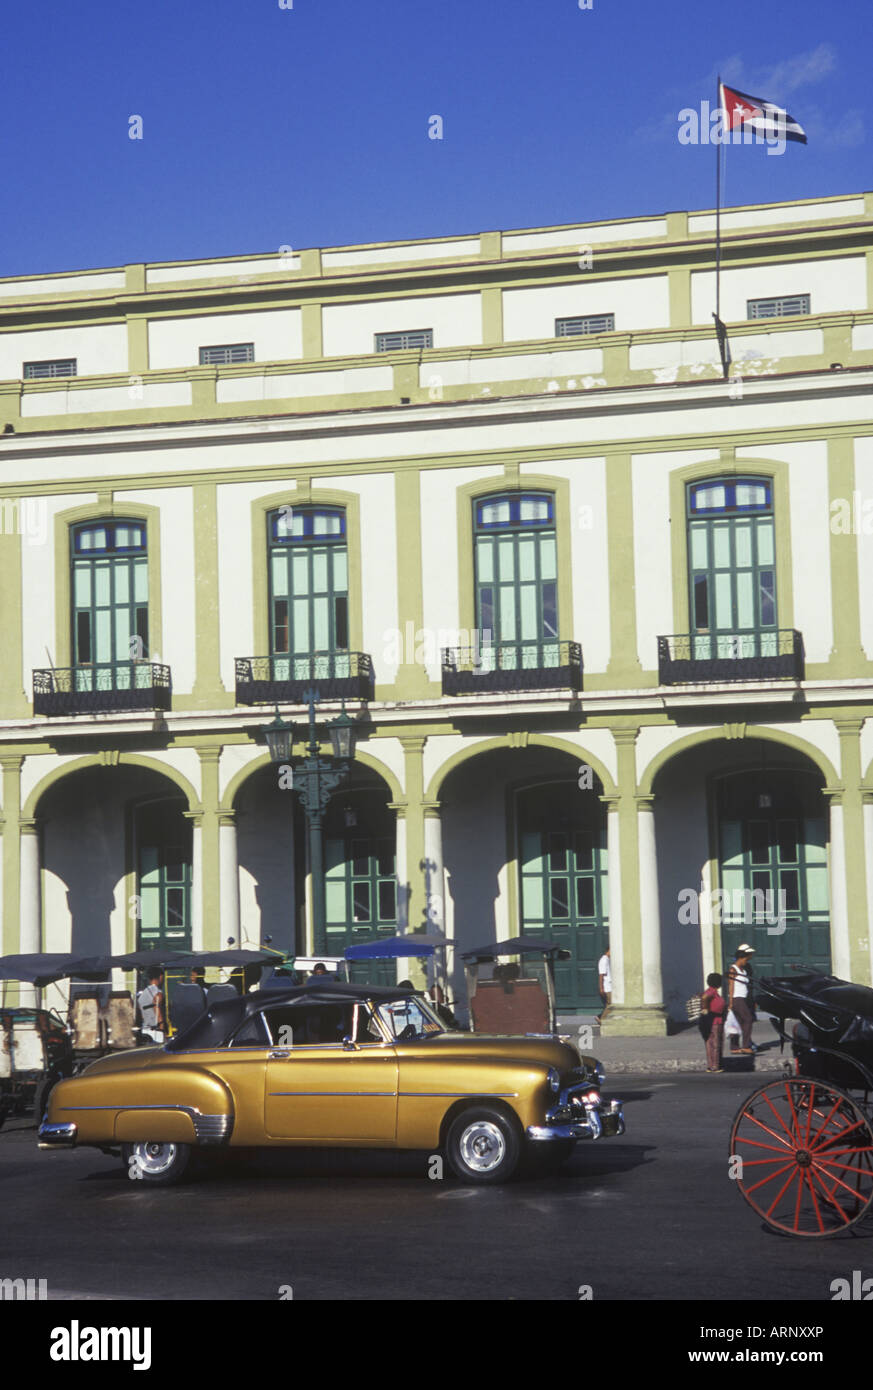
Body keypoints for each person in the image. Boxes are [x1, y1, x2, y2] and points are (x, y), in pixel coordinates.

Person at [727, 945, 756, 1054]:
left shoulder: (743, 970)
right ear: (741, 957)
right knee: (748, 1019)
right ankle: (746, 1045)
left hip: (743, 998)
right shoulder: (733, 969)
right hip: (736, 999)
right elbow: (731, 986)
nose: (746, 961)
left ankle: (734, 1047)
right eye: (745, 959)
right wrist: (730, 1002)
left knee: (737, 1022)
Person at [700, 972, 725, 1072]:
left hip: (709, 1020)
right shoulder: (712, 992)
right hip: (715, 1020)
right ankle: (715, 1066)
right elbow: (705, 997)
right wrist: (706, 1008)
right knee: (716, 1043)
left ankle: (711, 1065)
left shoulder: (711, 991)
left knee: (709, 1043)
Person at [136, 969, 165, 1044]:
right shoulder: (158, 993)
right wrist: (162, 1027)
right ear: (161, 977)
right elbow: (157, 1009)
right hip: (155, 1031)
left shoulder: (142, 995)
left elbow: (141, 1015)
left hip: (145, 1029)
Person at [597, 946, 612, 1023]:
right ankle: (601, 1019)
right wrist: (601, 988)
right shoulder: (604, 960)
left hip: (610, 985)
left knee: (609, 1004)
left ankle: (600, 1016)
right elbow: (601, 975)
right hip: (607, 986)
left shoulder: (608, 960)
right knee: (610, 1004)